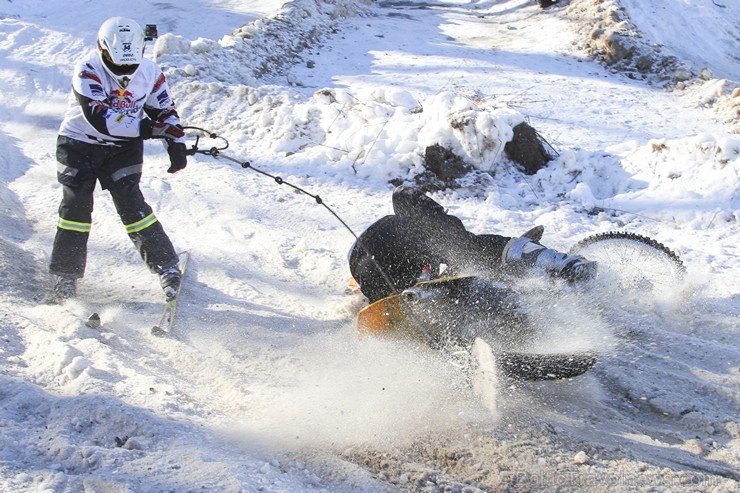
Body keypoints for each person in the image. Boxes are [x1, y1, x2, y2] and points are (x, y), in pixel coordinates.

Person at [49, 17, 188, 301]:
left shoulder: (151, 73)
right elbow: (100, 119)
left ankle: (166, 266)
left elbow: (164, 111)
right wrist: (150, 129)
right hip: (78, 144)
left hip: (122, 148)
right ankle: (65, 275)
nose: (124, 72)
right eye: (117, 65)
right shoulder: (87, 70)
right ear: (102, 51)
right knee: (76, 207)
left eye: (130, 65)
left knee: (132, 205)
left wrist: (176, 142)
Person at [348, 186, 596, 303]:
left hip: (367, 266)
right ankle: (564, 264)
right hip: (379, 264)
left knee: (465, 256)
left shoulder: (406, 235)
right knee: (472, 249)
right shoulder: (422, 230)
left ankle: (533, 259)